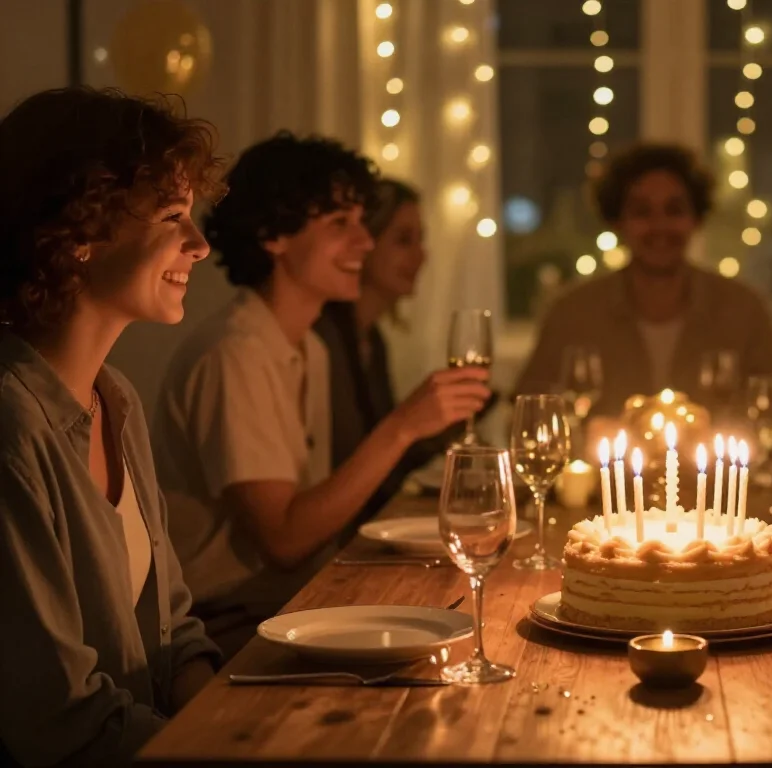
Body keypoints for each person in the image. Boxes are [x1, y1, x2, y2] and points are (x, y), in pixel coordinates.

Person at [155, 134, 490, 659]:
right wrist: (403, 426)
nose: (364, 243)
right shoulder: (236, 353)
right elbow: (285, 541)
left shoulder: (308, 345)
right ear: (273, 236)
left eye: (362, 223)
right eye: (341, 225)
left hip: (300, 603)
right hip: (229, 623)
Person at [0, 88, 223, 766]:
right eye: (173, 216)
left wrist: (234, 730)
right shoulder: (12, 424)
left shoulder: (115, 397)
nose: (201, 245)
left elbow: (174, 632)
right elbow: (57, 721)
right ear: (78, 235)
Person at [514, 143, 772, 418]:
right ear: (617, 221)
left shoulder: (745, 311)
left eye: (674, 210)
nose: (660, 226)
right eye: (642, 212)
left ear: (696, 219)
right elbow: (526, 416)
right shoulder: (571, 314)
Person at [314, 179, 478, 525]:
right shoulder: (321, 339)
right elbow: (346, 462)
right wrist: (412, 421)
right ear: (365, 243)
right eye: (403, 240)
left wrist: (439, 425)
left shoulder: (372, 339)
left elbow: (386, 466)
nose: (421, 255)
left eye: (421, 239)